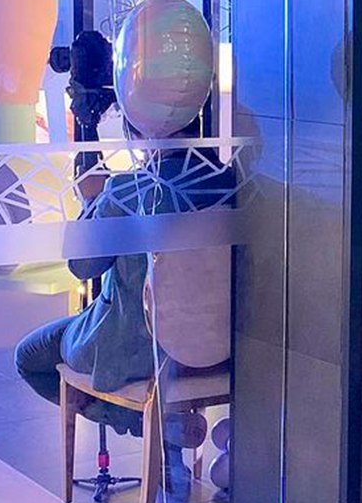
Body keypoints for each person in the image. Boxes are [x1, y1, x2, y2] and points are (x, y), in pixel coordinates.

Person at [15, 133, 233, 483]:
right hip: (218, 349)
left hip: (134, 349)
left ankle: (149, 424)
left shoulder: (127, 190)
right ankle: (167, 430)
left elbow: (82, 266)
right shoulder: (231, 184)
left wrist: (92, 200)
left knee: (29, 357)